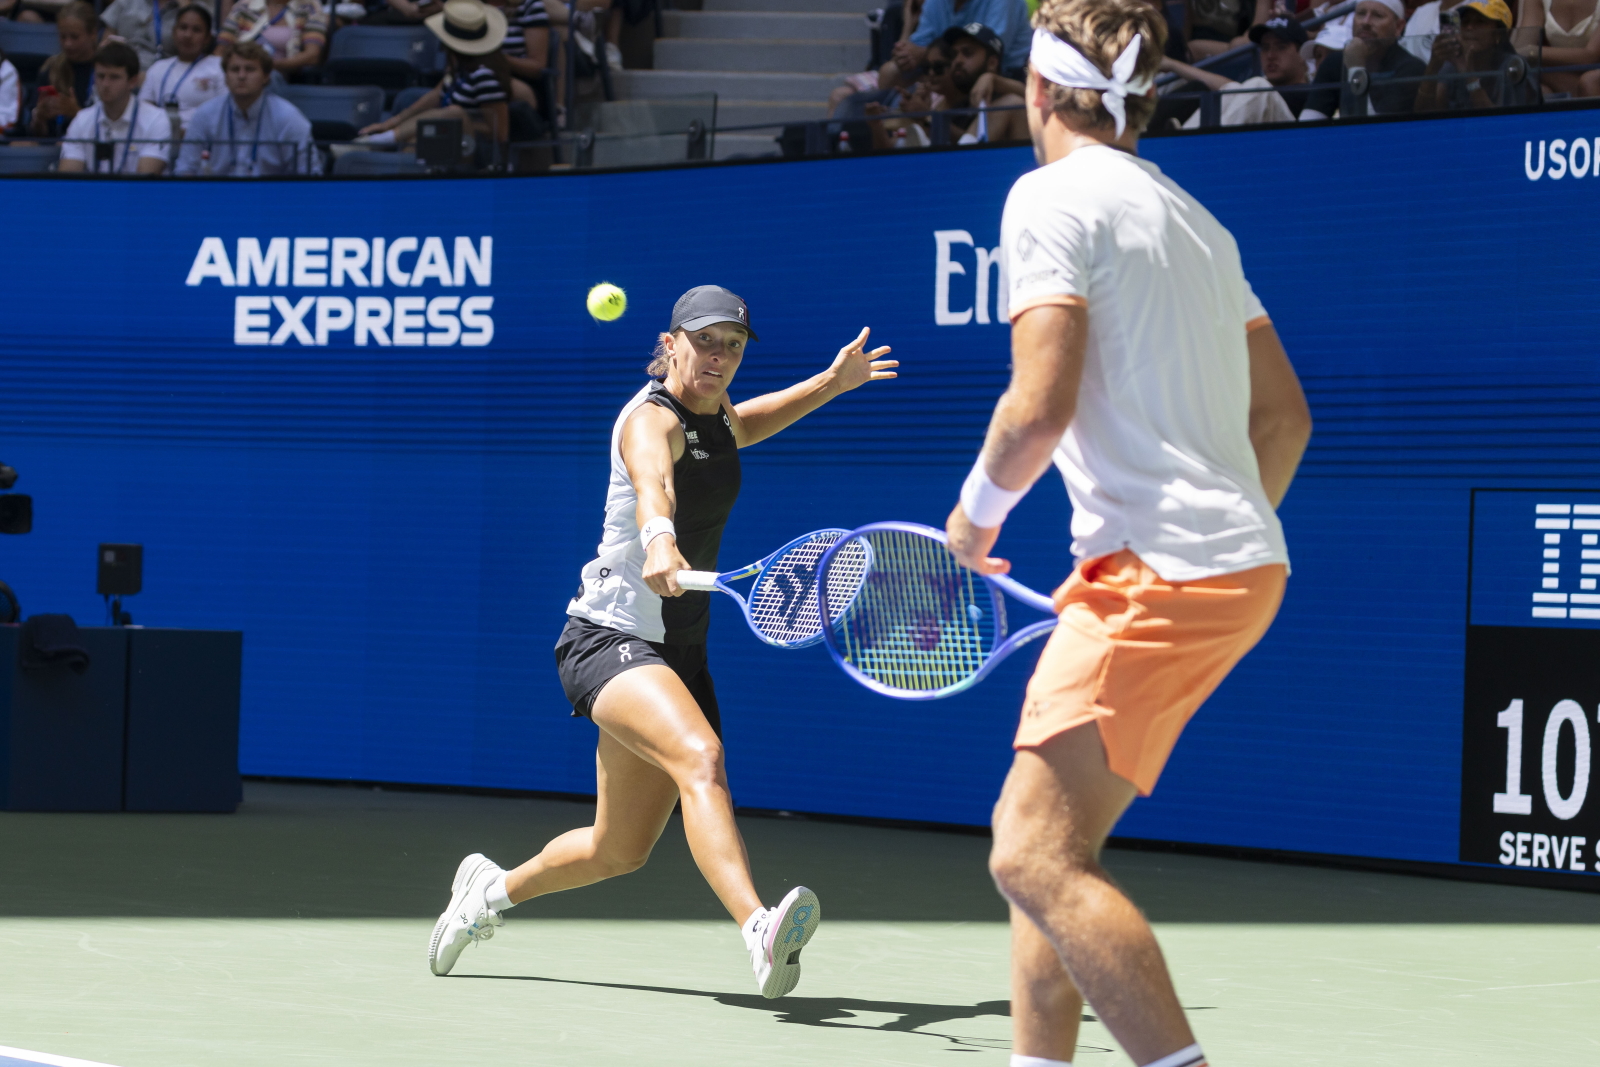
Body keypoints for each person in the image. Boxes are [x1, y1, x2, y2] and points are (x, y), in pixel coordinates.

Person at [943, 2, 1311, 1066]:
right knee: (1057, 843)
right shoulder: (1197, 220)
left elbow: (1037, 405)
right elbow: (1283, 418)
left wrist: (970, 524)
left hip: (1158, 569)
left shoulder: (1045, 196)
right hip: (1230, 564)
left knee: (1028, 854)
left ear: (1041, 91)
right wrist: (1213, 538)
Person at [426, 286, 897, 999]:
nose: (719, 356)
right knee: (702, 757)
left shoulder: (716, 415)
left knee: (618, 848)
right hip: (609, 637)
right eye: (705, 341)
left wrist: (832, 382)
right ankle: (759, 928)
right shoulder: (651, 419)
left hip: (676, 652)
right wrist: (659, 539)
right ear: (670, 342)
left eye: (733, 344)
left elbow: (748, 423)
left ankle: (486, 892)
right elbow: (655, 484)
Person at [354, 0, 513, 162]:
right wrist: (390, 123)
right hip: (448, 138)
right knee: (414, 143)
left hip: (477, 151)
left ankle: (377, 141)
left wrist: (460, 121)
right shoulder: (458, 67)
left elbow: (500, 133)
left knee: (454, 114)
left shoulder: (485, 76)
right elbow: (437, 94)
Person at [175, 40, 319, 175]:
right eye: (235, 69)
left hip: (271, 197)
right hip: (218, 197)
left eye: (250, 69)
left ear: (266, 76)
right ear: (225, 76)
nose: (241, 76)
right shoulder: (205, 115)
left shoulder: (289, 119)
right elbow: (185, 170)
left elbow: (309, 176)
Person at [1164, 13, 1314, 125]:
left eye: (1281, 47)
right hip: (1256, 149)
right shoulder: (1260, 89)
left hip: (1293, 146)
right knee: (1233, 88)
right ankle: (1185, 135)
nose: (1270, 55)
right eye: (1265, 48)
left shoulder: (1312, 91)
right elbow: (1228, 87)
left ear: (1302, 53)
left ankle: (1198, 141)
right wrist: (1172, 65)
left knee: (1257, 86)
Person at [58, 40, 172, 173]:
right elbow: (68, 178)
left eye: (114, 77)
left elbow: (145, 181)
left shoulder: (156, 120)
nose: (105, 84)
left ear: (132, 81)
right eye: (100, 76)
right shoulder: (82, 120)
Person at [1302, 0, 1428, 118]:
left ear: (1398, 27)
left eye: (1377, 15)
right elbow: (1308, 124)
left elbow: (1375, 130)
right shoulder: (1334, 62)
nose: (1366, 22)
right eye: (1361, 14)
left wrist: (1356, 68)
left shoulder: (1411, 69)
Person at [882, 0, 1030, 89]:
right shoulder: (936, 3)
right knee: (889, 72)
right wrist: (906, 51)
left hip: (1006, 76)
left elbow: (987, 56)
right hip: (947, 70)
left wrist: (923, 53)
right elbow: (915, 49)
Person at [1416, 0, 1537, 106]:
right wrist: (1433, 66)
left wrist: (1469, 76)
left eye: (1480, 22)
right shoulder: (1452, 66)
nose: (1469, 27)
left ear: (1498, 34)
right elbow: (1426, 115)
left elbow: (1498, 124)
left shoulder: (1513, 66)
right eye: (1465, 21)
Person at [140, 4, 226, 140]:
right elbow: (144, 112)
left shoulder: (219, 67)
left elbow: (224, 115)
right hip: (159, 141)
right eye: (183, 28)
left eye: (196, 30)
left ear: (208, 37)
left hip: (202, 143)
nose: (188, 35)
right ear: (174, 32)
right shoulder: (157, 68)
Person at [26, 1, 101, 138]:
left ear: (93, 34)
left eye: (74, 37)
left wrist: (76, 112)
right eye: (63, 36)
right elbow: (36, 133)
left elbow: (110, 128)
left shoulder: (105, 70)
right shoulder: (51, 68)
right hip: (52, 147)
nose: (67, 44)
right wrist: (39, 118)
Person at [216, 0, 327, 79]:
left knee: (264, 78)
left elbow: (312, 56)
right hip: (238, 70)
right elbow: (220, 50)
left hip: (278, 74)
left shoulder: (309, 5)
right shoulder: (244, 5)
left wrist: (269, 65)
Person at [1515, 0, 1600, 96]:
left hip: (1594, 74)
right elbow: (1521, 49)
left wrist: (1533, 52)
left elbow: (1591, 56)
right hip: (1558, 75)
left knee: (1589, 82)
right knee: (1536, 87)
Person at [100, 0, 183, 74]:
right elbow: (105, 43)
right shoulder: (125, 2)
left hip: (163, 74)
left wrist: (185, 7)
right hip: (121, 69)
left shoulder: (184, 8)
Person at [1187, 0, 1274, 59]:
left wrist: (1237, 44)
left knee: (1194, 49)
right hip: (1215, 43)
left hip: (1247, 49)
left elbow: (1256, 34)